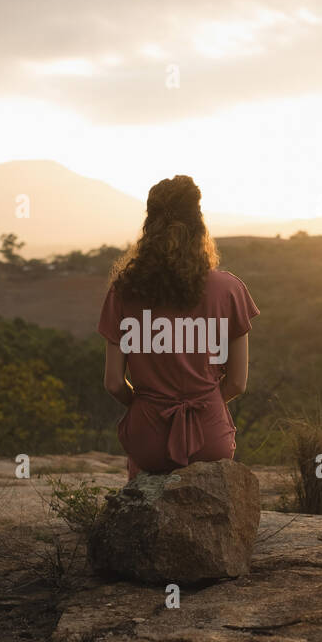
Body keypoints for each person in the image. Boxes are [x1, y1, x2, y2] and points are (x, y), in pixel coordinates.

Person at [97, 174, 260, 481]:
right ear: (199, 225)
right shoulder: (229, 290)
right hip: (209, 437)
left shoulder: (123, 293)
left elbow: (114, 383)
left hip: (148, 438)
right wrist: (204, 403)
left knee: (142, 479)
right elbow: (237, 383)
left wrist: (148, 405)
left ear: (149, 227)